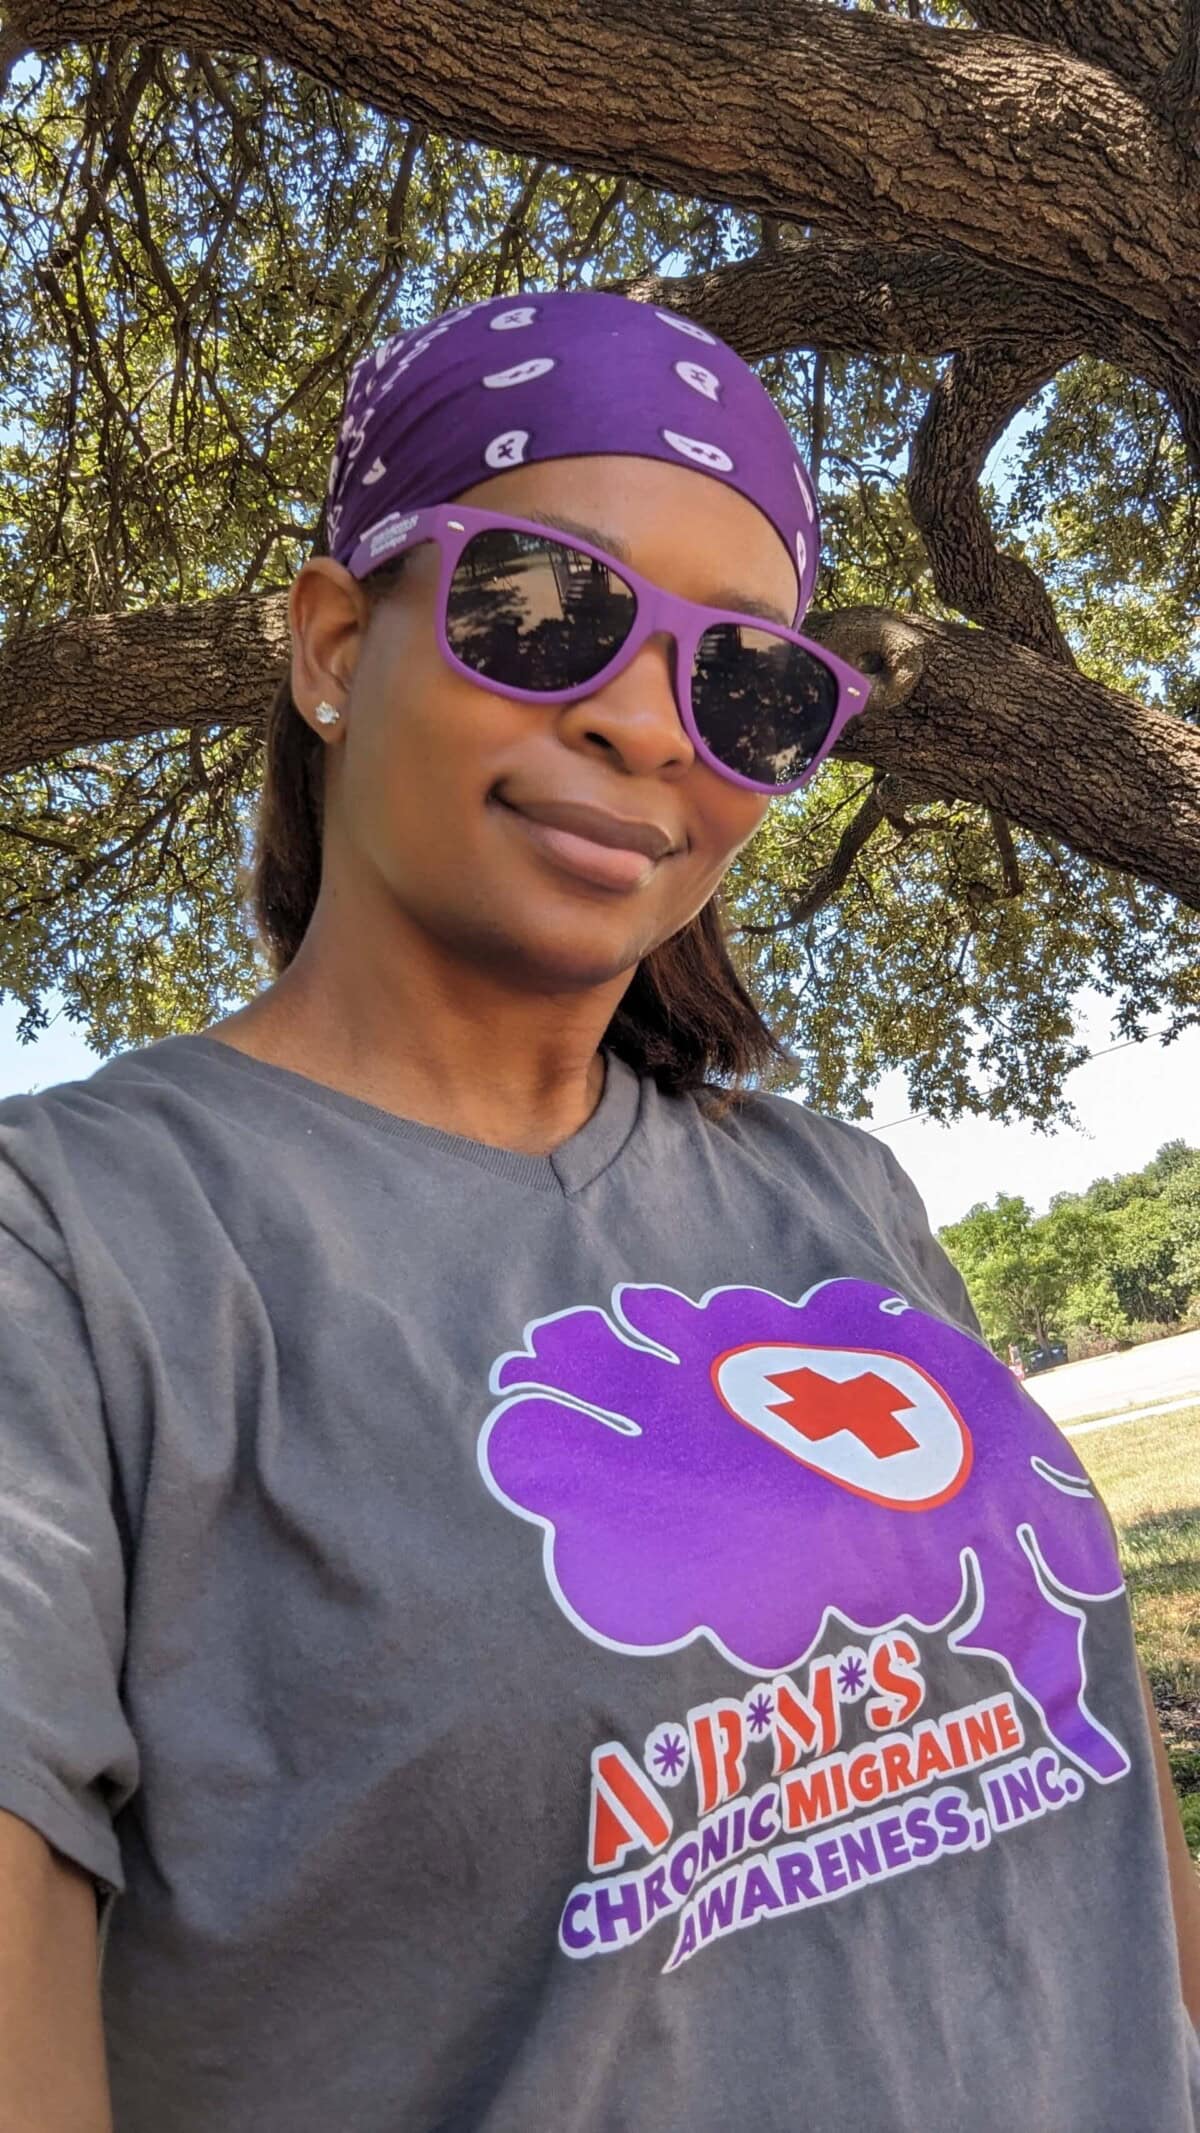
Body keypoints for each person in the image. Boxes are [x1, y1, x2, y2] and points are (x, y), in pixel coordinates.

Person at [0, 288, 1196, 2133]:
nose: (652, 727)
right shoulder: (73, 1250)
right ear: (332, 640)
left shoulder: (841, 1193)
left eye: (750, 682)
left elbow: (1089, 1784)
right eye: (544, 607)